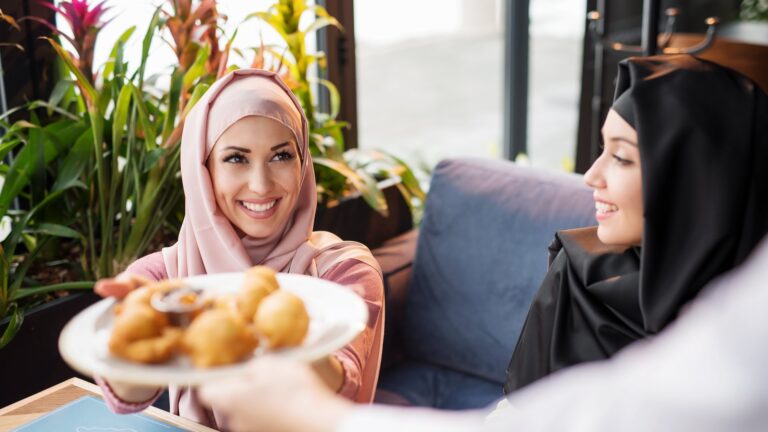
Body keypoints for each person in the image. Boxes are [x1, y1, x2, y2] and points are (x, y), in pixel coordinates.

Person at [198, 234, 768, 432]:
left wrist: (318, 416)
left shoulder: (340, 269)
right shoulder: (576, 264)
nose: (590, 176)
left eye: (621, 156)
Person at [93, 69, 384, 429]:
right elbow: (124, 398)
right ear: (204, 172)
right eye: (236, 158)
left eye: (281, 156)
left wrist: (282, 328)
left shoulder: (344, 271)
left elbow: (344, 387)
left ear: (303, 163)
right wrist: (138, 332)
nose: (261, 185)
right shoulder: (162, 281)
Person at [504, 54, 768, 392]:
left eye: (621, 157)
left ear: (696, 180)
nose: (591, 176)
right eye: (603, 149)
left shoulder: (752, 314)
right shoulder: (578, 274)